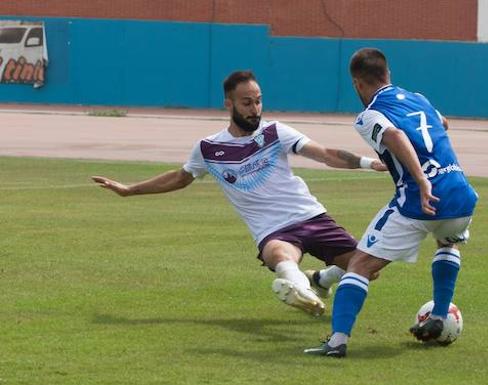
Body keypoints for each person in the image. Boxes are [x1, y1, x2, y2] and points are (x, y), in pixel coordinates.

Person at [92, 70, 386, 317]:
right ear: (229, 104)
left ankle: (320, 280)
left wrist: (367, 162)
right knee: (281, 256)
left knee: (369, 270)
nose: (254, 108)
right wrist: (130, 190)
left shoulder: (275, 132)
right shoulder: (209, 148)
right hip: (273, 231)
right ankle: (301, 290)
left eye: (258, 102)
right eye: (246, 102)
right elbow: (181, 178)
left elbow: (324, 154)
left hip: (311, 216)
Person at [304, 48, 478, 357]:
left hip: (418, 200)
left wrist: (422, 179)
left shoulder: (369, 115)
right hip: (461, 195)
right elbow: (443, 123)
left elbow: (396, 135)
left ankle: (336, 343)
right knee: (447, 243)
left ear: (358, 83)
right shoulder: (420, 98)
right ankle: (438, 316)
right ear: (388, 74)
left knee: (359, 265)